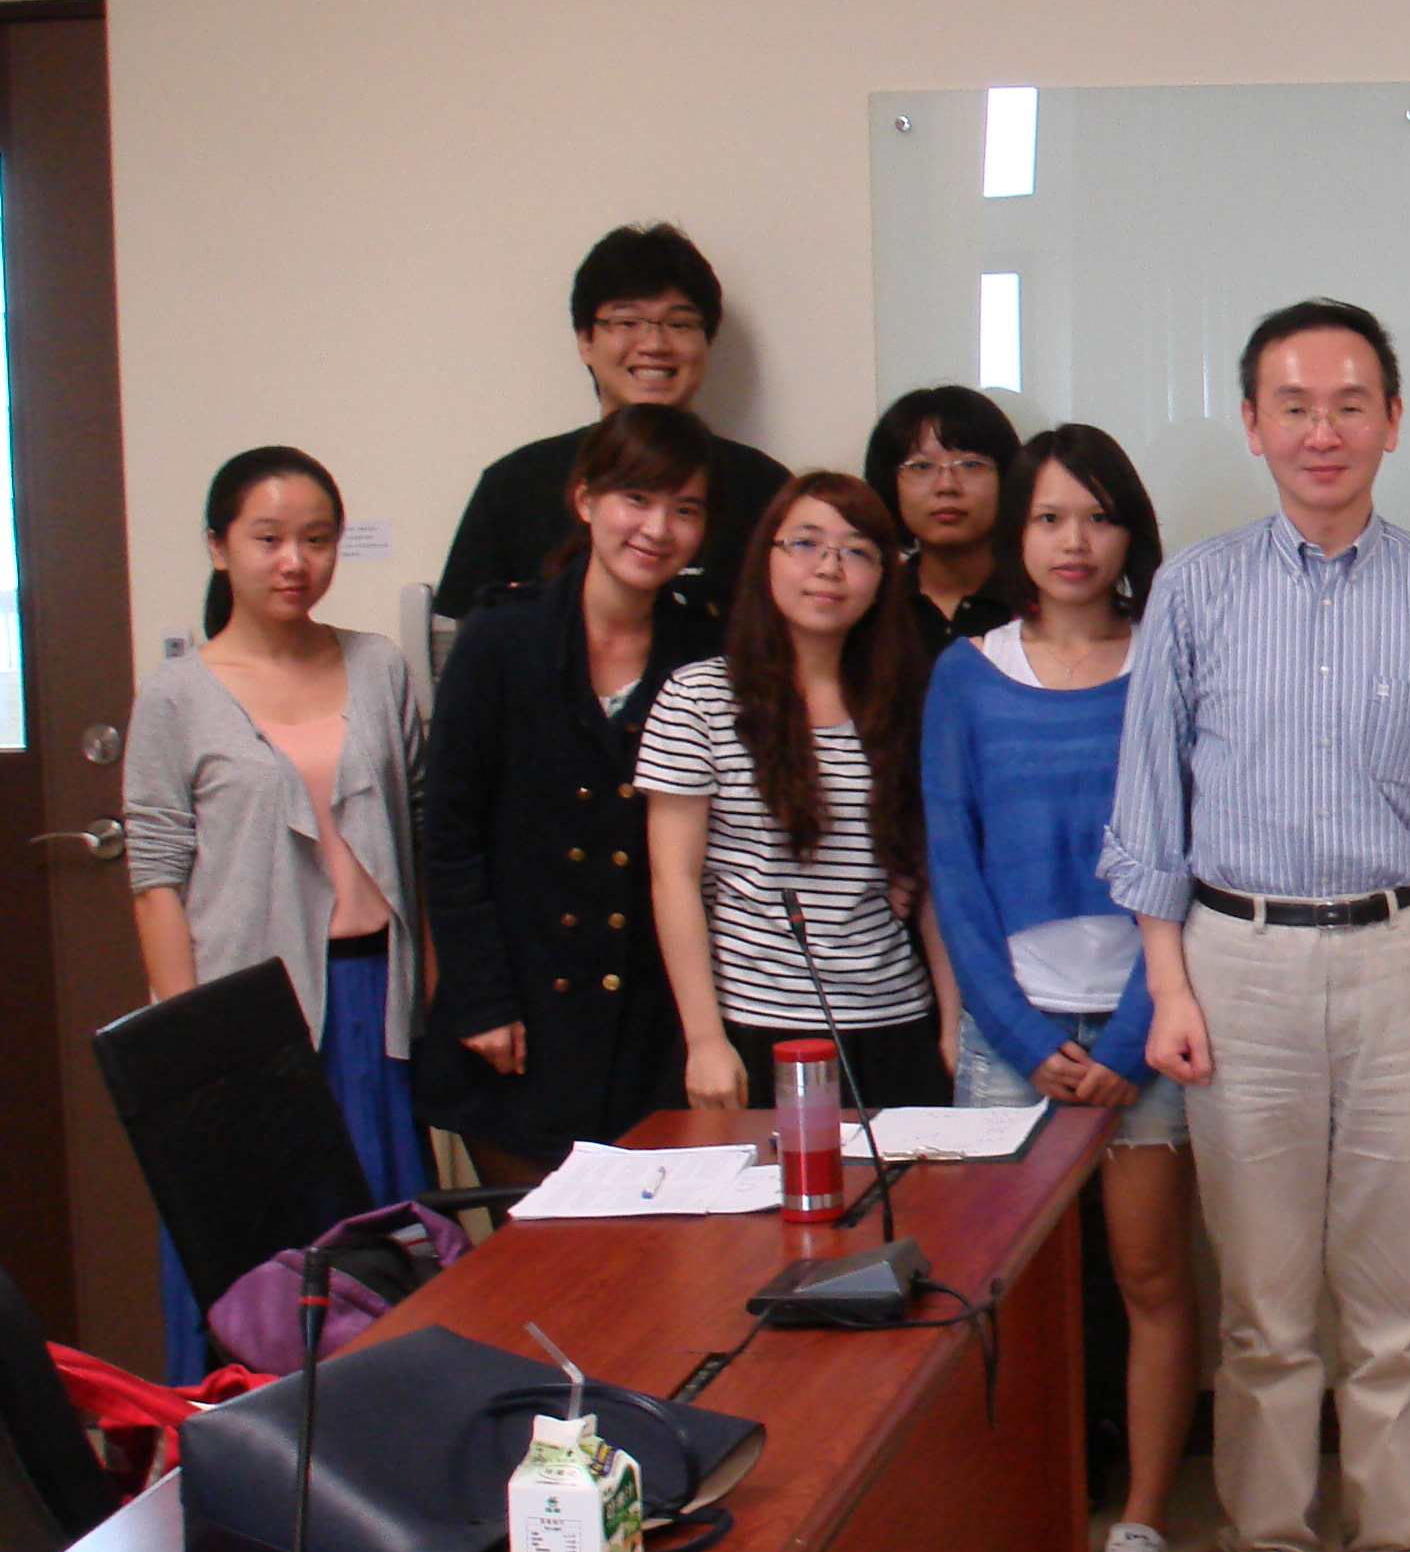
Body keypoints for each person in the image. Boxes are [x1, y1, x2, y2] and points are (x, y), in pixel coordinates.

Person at [1101, 299, 1410, 1552]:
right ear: (1253, 424)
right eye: (1294, 402)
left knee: (1397, 1292)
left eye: (1352, 401)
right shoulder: (1196, 588)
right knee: (1266, 1302)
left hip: (1408, 960)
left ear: (1394, 421)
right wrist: (1168, 986)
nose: (1323, 428)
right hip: (1238, 965)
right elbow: (1150, 818)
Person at [924, 424, 1198, 1552]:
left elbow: (1189, 854)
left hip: (1151, 1019)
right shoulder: (965, 676)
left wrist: (1133, 1033)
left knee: (1148, 1279)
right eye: (1047, 519)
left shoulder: (1169, 665)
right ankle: (1020, 1519)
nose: (1073, 542)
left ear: (1129, 531)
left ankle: (1139, 1523)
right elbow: (952, 865)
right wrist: (1023, 1038)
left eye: (1095, 517)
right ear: (1016, 539)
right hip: (1011, 1029)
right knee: (1008, 1292)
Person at [124, 448, 421, 1378]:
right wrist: (191, 1044)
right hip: (247, 1022)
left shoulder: (377, 665)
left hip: (372, 1000)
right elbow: (157, 874)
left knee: (382, 1246)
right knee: (254, 1259)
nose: (293, 560)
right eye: (268, 538)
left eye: (316, 539)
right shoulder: (177, 692)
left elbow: (423, 823)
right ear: (220, 548)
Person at [417, 406, 722, 1182]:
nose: (657, 528)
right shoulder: (500, 640)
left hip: (651, 1022)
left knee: (660, 1270)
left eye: (684, 509)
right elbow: (449, 834)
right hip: (520, 1012)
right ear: (585, 499)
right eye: (637, 500)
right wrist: (481, 998)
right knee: (534, 1284)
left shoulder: (705, 651)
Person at [638, 471, 953, 1110]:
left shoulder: (909, 705)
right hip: (755, 1027)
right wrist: (704, 1040)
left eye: (858, 551)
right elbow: (673, 880)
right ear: (766, 559)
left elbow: (933, 884)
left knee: (912, 1210)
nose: (830, 568)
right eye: (805, 543)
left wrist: (952, 1023)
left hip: (895, 1020)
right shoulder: (699, 696)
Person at [435, 224, 789, 617]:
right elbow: (465, 643)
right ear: (586, 341)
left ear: (707, 341)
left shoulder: (765, 488)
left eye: (679, 324)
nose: (654, 344)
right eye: (626, 322)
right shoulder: (516, 484)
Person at [865, 384, 1020, 659]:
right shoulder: (870, 603)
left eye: (971, 465)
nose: (947, 486)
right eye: (921, 466)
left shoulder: (1037, 602)